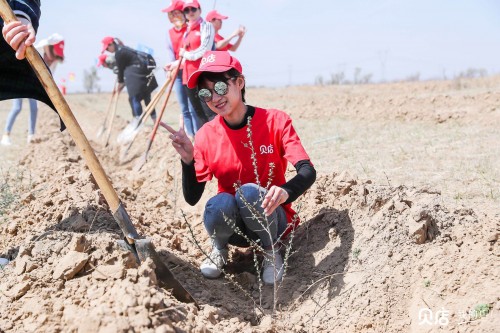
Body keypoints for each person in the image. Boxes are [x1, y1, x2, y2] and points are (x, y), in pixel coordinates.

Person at [165, 51, 317, 285]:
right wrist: (187, 160)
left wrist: (286, 191)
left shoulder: (275, 121)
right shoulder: (206, 134)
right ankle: (220, 249)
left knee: (249, 192)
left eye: (220, 87)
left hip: (272, 218)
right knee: (218, 203)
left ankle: (271, 252)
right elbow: (193, 198)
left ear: (239, 82)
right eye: (205, 93)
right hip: (234, 226)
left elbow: (307, 170)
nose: (215, 97)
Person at [1, 33, 64, 145]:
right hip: (20, 78)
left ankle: (31, 136)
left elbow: (49, 78)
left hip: (33, 83)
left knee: (34, 108)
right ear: (50, 47)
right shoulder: (39, 49)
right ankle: (6, 135)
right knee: (17, 107)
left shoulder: (55, 60)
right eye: (55, 51)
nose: (55, 56)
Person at [162, 0, 201, 139]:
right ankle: (191, 136)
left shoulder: (190, 28)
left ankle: (199, 135)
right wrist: (170, 69)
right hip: (177, 71)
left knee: (193, 107)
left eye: (177, 13)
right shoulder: (169, 33)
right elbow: (171, 53)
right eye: (172, 14)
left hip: (190, 70)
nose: (175, 16)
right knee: (184, 108)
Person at [100, 36, 158, 123]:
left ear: (111, 44)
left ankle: (138, 122)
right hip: (145, 75)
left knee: (134, 98)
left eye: (107, 49)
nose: (108, 51)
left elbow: (120, 72)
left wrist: (119, 84)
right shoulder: (124, 49)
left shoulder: (119, 53)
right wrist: (120, 85)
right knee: (147, 98)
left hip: (137, 77)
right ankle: (155, 122)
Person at [179, 0, 215, 125]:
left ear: (199, 10)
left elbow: (205, 49)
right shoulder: (186, 31)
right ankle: (206, 142)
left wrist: (186, 54)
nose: (190, 12)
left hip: (201, 76)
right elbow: (184, 57)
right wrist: (174, 65)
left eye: (193, 9)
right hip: (187, 78)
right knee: (199, 113)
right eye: (186, 10)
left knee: (209, 110)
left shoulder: (206, 26)